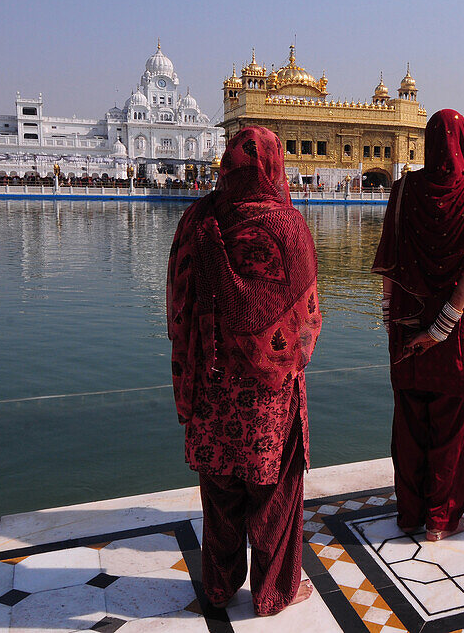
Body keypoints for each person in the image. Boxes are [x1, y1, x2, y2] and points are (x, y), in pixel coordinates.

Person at [167, 126, 322, 615]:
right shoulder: (287, 227)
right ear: (275, 165)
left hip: (212, 379)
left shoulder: (198, 218)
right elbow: (306, 318)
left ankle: (217, 587)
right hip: (269, 393)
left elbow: (177, 300)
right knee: (275, 491)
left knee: (220, 491)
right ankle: (273, 592)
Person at [372, 109, 464, 542]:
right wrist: (444, 326)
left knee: (408, 424)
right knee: (451, 427)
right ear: (462, 143)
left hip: (406, 322)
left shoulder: (404, 189)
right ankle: (440, 521)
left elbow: (389, 260)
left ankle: (408, 514)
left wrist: (391, 316)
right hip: (457, 330)